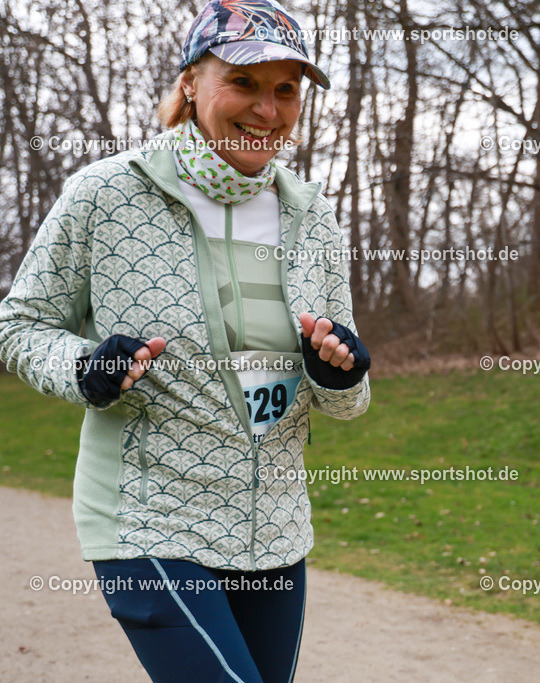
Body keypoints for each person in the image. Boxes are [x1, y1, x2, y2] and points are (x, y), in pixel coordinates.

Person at [0, 1, 370, 680]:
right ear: (192, 82)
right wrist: (88, 367)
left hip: (274, 529)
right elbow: (19, 325)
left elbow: (346, 400)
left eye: (286, 89)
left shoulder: (313, 216)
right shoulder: (106, 196)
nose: (268, 109)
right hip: (149, 520)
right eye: (245, 83)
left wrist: (341, 373)